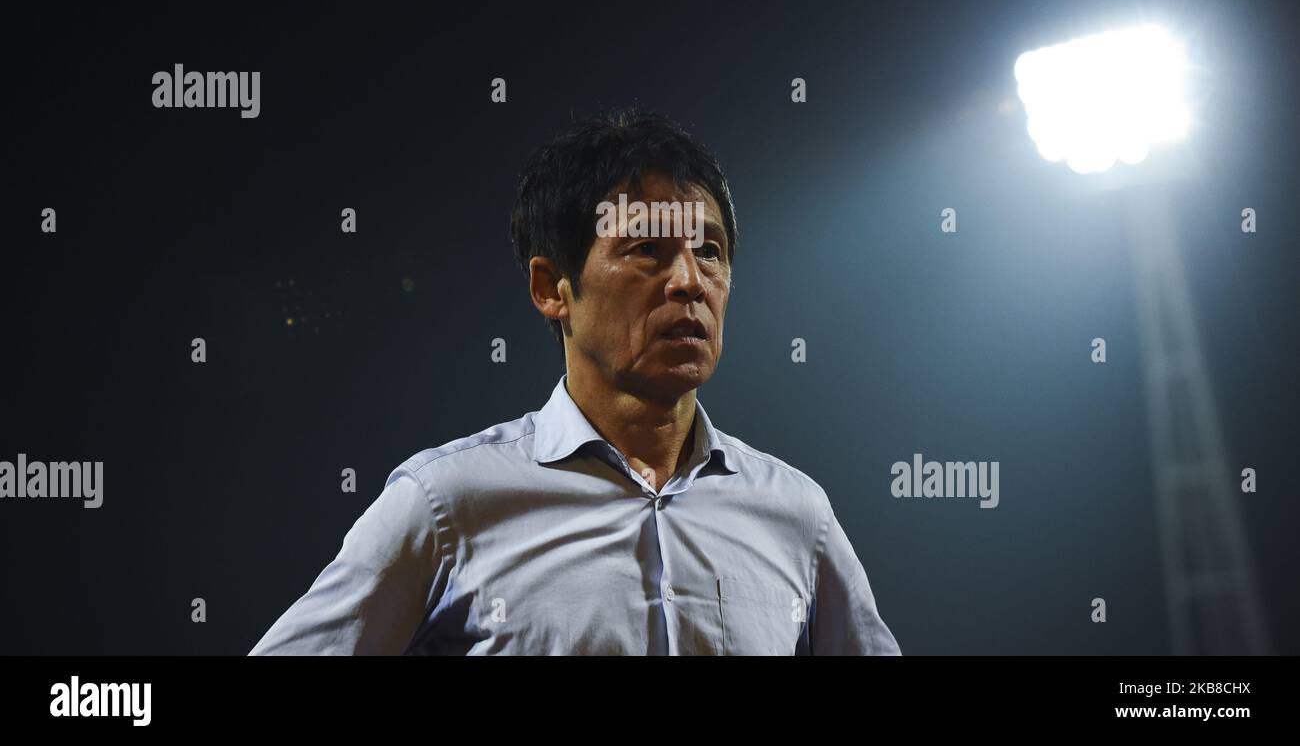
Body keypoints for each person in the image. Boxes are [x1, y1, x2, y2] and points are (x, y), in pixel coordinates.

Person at [249, 108, 900, 655]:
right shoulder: (449, 504)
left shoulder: (795, 513)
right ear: (550, 288)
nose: (689, 281)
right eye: (648, 249)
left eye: (709, 250)